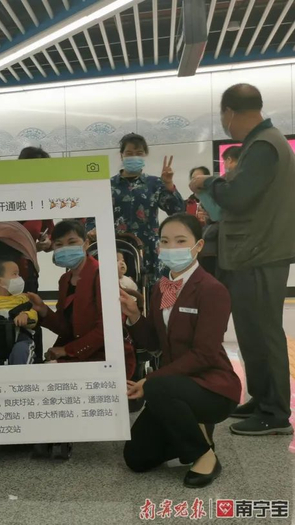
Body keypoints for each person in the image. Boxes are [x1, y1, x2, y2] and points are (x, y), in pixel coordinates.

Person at [190, 83, 295, 436]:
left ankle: (275, 412)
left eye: (223, 116)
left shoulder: (264, 145)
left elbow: (237, 196)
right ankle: (262, 398)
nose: (224, 123)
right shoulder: (262, 143)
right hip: (254, 251)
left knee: (263, 331)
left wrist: (208, 183)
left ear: (230, 112)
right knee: (251, 331)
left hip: (260, 252)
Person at [120, 213, 241, 488]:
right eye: (165, 241)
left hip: (212, 386)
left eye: (180, 241)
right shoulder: (160, 288)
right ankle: (194, 430)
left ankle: (204, 456)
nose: (171, 247)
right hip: (173, 388)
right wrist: (134, 315)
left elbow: (205, 354)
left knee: (157, 386)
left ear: (198, 246)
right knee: (136, 458)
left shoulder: (212, 290)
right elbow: (153, 344)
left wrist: (150, 380)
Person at [26, 221, 135, 379]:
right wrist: (43, 309)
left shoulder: (103, 274)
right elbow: (66, 329)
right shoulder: (65, 280)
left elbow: (109, 328)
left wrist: (68, 350)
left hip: (106, 356)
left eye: (72, 242)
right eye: (59, 244)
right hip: (78, 354)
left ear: (86, 244)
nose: (65, 248)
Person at [87, 134, 185, 286]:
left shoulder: (154, 183)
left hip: (148, 249)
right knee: (118, 288)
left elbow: (177, 210)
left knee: (149, 290)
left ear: (144, 156)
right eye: (129, 153)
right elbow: (93, 215)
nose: (134, 157)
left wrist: (168, 184)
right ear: (121, 155)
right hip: (116, 249)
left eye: (139, 153)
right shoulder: (108, 185)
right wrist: (93, 230)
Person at [18, 146, 54, 252]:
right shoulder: (4, 195)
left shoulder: (40, 199)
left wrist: (48, 241)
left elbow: (51, 234)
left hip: (27, 260)